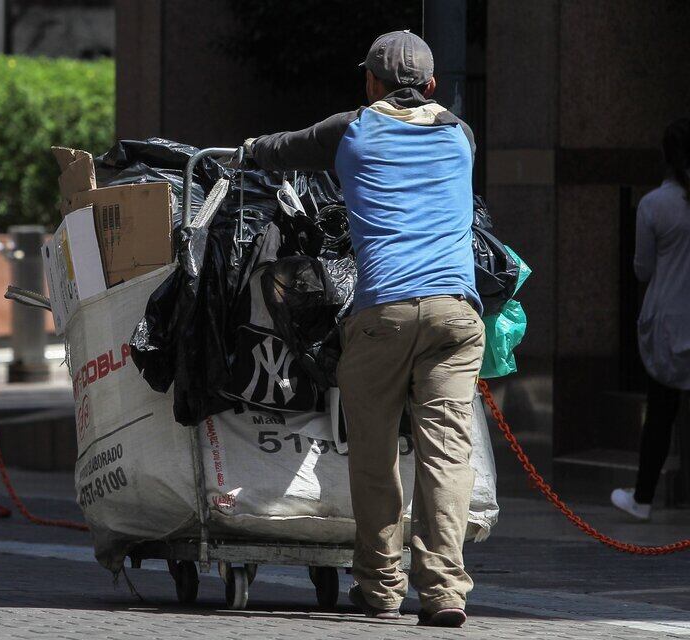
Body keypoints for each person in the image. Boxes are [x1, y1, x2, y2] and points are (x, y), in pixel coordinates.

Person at [245, 31, 482, 628]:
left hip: (383, 313)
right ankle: (445, 590)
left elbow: (281, 150)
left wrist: (248, 149)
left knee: (374, 453)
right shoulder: (460, 134)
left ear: (371, 82)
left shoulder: (349, 129)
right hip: (456, 314)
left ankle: (380, 587)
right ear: (431, 85)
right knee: (447, 452)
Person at [612, 118, 690, 521]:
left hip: (668, 319)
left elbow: (642, 269)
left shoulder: (655, 205)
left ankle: (643, 498)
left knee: (660, 412)